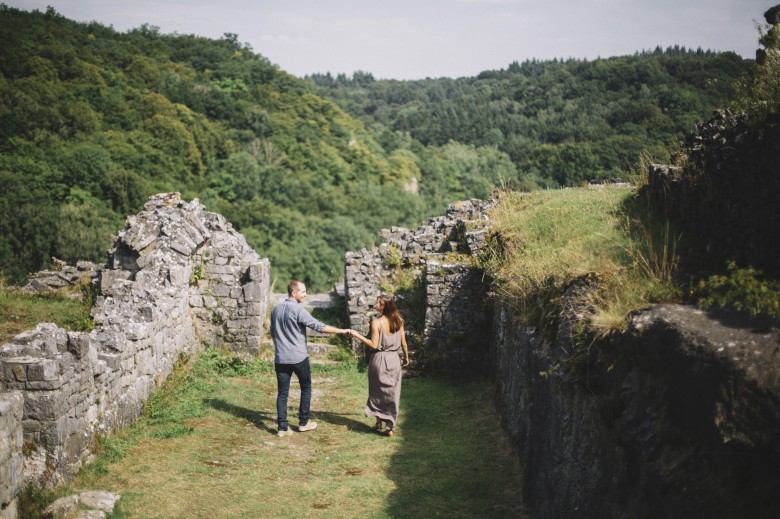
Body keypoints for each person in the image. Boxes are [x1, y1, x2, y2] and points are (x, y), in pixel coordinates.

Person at [270, 280, 349, 437]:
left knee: (282, 392)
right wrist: (342, 331)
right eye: (303, 292)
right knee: (306, 388)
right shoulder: (299, 310)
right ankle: (303, 423)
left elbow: (273, 333)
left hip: (281, 358)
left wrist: (280, 348)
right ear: (294, 293)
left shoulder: (275, 309)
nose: (306, 294)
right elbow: (319, 326)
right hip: (299, 358)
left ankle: (282, 427)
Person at [349, 295, 410, 437]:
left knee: (377, 392)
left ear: (385, 307)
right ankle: (390, 427)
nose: (376, 304)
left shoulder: (376, 322)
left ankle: (378, 422)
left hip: (379, 359)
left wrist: (358, 335)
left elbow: (374, 345)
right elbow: (404, 343)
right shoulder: (399, 321)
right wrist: (406, 357)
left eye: (379, 303)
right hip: (394, 359)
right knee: (393, 393)